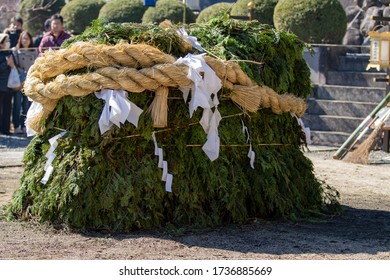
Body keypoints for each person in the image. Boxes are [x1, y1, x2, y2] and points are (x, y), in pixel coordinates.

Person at [12, 31, 37, 134]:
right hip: (19, 80)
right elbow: (15, 65)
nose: (25, 40)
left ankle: (24, 125)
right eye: (23, 38)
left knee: (26, 105)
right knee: (17, 104)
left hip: (30, 80)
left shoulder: (34, 51)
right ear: (20, 39)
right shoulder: (15, 51)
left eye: (27, 38)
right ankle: (16, 125)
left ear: (30, 40)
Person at [0, 33, 16, 135]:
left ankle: (6, 129)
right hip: (1, 86)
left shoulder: (10, 53)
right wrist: (6, 63)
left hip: (9, 86)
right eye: (6, 41)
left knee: (7, 108)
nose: (8, 43)